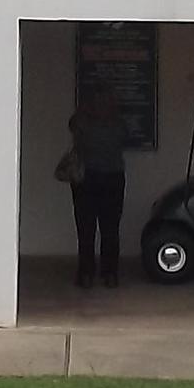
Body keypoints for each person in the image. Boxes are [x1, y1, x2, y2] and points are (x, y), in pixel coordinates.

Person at [60, 82, 133, 290]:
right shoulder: (118, 124)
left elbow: (72, 125)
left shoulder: (83, 123)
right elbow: (126, 140)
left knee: (85, 228)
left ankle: (86, 274)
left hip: (86, 179)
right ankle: (110, 274)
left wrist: (83, 110)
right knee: (110, 228)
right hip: (113, 177)